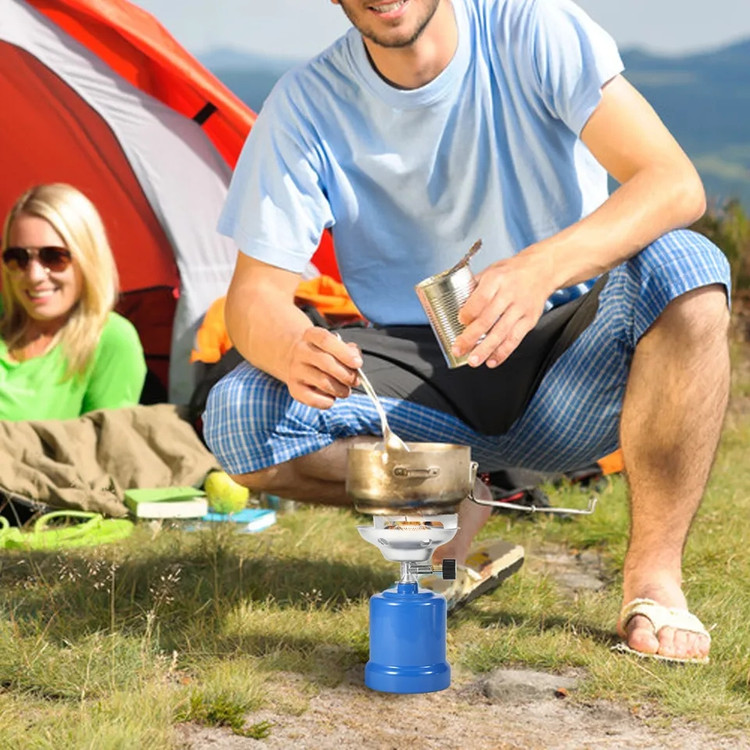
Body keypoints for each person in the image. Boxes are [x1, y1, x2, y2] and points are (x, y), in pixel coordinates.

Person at [203, 0, 730, 664]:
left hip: (571, 353)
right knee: (239, 414)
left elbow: (675, 184)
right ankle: (458, 487)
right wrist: (288, 344)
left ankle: (654, 579)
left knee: (689, 267)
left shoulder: (529, 25)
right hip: (417, 379)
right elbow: (253, 297)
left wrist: (541, 267)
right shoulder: (304, 103)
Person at [0, 183, 147, 421]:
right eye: (18, 258)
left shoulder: (111, 340)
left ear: (88, 257)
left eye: (54, 257)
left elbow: (107, 441)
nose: (34, 276)